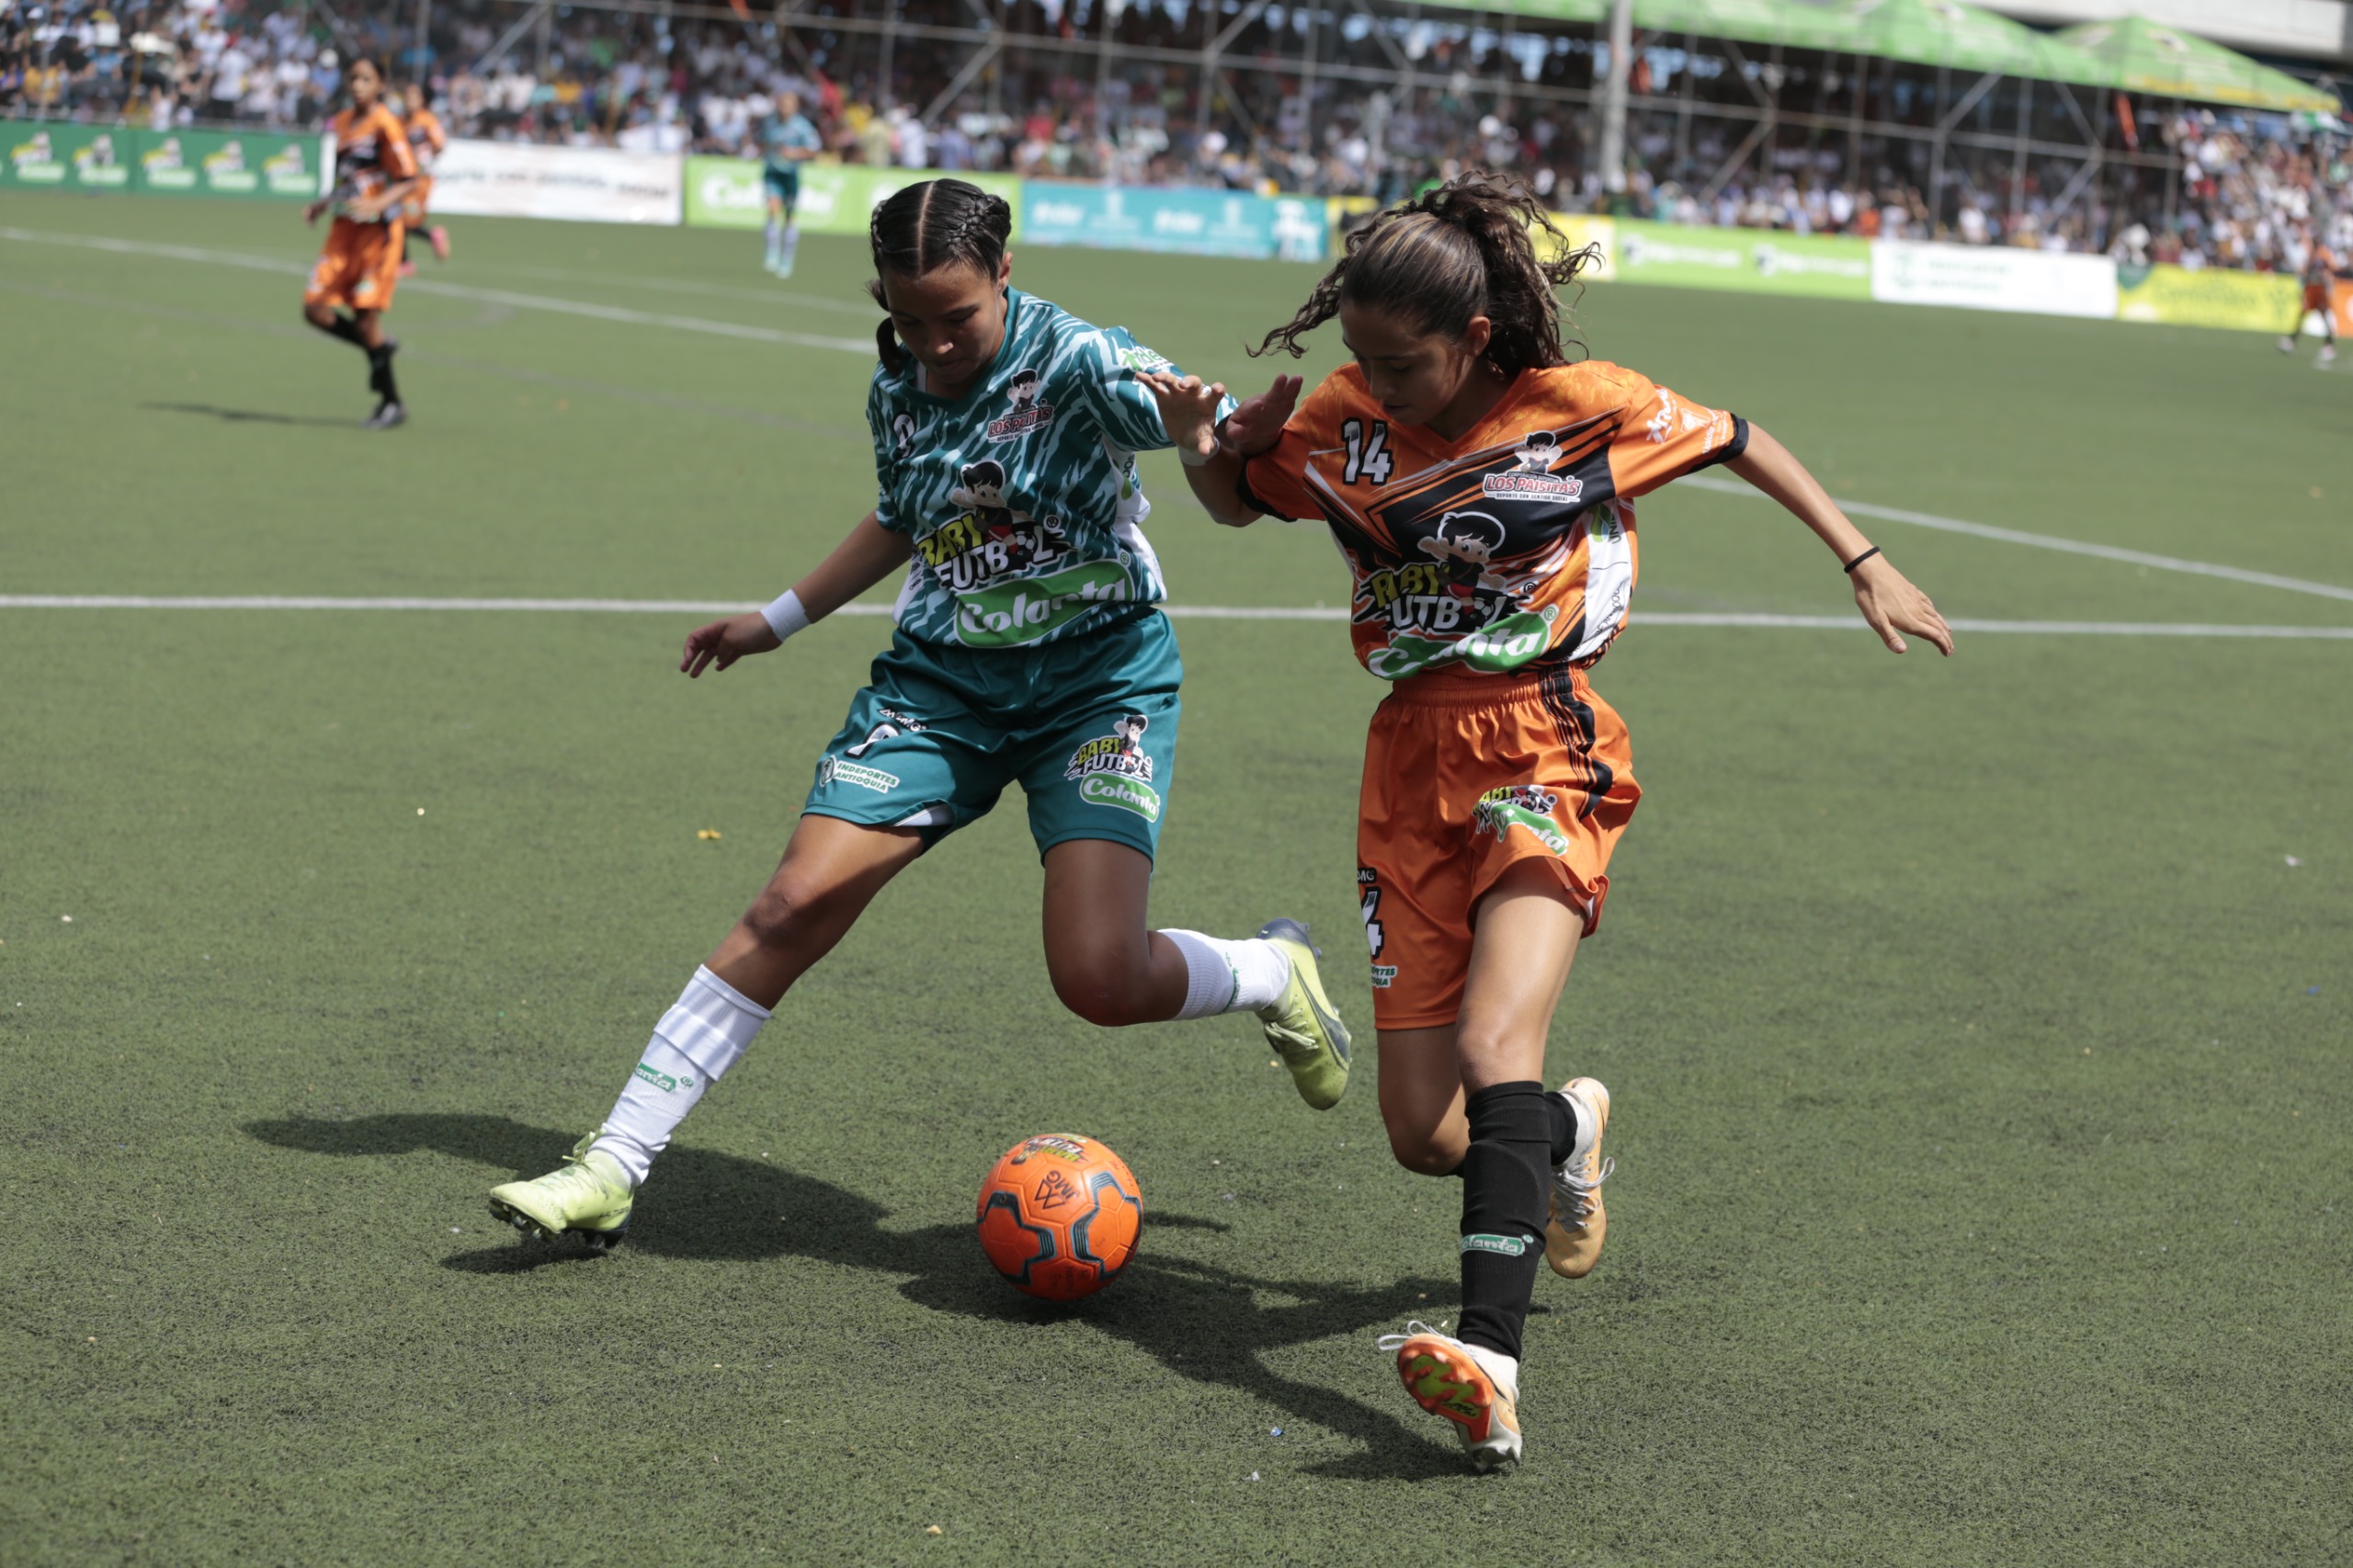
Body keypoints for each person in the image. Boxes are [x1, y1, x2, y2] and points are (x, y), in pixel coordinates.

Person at [1143, 173, 1953, 1471]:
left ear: (1470, 339)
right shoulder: (1346, 419)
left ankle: (1491, 1361)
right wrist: (1211, 450)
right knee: (1423, 1132)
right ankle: (1568, 1131)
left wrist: (1862, 557)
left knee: (1490, 1039)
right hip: (1404, 763)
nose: (1371, 380)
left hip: (1542, 736)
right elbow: (1244, 502)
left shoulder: (1582, 412)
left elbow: (1743, 436)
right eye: (1355, 353)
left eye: (1397, 361)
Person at [487, 178, 1353, 1250]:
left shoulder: (1079, 358)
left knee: (1098, 976)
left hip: (1097, 684)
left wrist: (1206, 431)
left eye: (958, 318)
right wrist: (778, 618)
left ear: (1003, 274)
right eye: (909, 320)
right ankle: (612, 1162)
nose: (936, 345)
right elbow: (906, 513)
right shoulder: (898, 383)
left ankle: (1273, 971)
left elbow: (1183, 413)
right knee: (787, 905)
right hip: (941, 687)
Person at [301, 57, 416, 430]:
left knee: (366, 317)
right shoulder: (344, 122)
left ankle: (392, 403)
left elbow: (409, 178)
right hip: (343, 229)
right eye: (353, 78)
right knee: (315, 308)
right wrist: (323, 202)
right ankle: (381, 349)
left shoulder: (385, 123)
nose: (357, 85)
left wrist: (378, 203)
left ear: (381, 84)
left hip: (377, 233)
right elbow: (346, 176)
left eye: (366, 79)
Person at [760, 90, 822, 277]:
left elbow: (814, 150)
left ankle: (787, 259)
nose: (784, 108)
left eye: (788, 104)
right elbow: (764, 143)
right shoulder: (770, 123)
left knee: (789, 218)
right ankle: (772, 251)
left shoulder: (802, 126)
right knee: (772, 210)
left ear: (795, 107)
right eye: (782, 103)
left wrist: (793, 153)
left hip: (791, 176)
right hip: (772, 172)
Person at [395, 80, 450, 275]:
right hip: (403, 179)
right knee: (402, 219)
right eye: (407, 97)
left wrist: (424, 161)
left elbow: (440, 144)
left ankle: (405, 262)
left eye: (414, 97)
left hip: (420, 182)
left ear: (422, 100)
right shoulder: (400, 121)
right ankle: (429, 238)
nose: (409, 101)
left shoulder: (427, 120)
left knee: (402, 219)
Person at [2279, 231, 2339, 367]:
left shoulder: (2325, 254)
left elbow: (2332, 270)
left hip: (2320, 290)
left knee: (2323, 318)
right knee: (2302, 315)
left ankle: (2329, 346)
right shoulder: (2312, 254)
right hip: (2311, 289)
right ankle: (2292, 341)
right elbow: (2305, 270)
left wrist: (2328, 284)